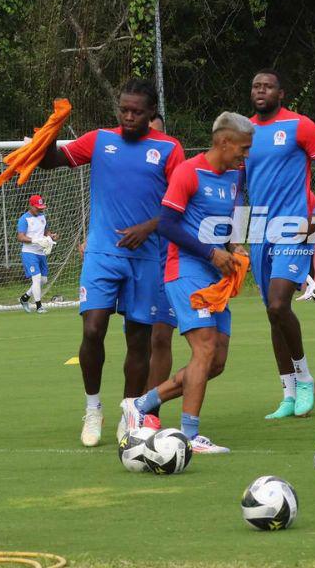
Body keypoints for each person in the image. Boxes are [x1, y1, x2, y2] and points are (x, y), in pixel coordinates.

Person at [38, 78, 184, 447]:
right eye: (124, 110)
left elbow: (179, 204)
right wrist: (49, 133)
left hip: (148, 255)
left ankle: (130, 412)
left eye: (137, 111)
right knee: (92, 329)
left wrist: (148, 227)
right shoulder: (100, 140)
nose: (129, 116)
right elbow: (52, 161)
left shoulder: (169, 149)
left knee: (139, 340)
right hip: (103, 252)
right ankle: (92, 409)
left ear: (152, 113)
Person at [126, 112, 252, 453]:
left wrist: (237, 245)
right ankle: (190, 436)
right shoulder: (188, 172)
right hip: (184, 270)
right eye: (243, 148)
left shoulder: (236, 175)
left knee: (217, 361)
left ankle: (140, 405)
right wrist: (212, 253)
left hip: (217, 276)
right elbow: (167, 224)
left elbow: (235, 215)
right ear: (223, 142)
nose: (245, 155)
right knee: (204, 348)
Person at [247, 69, 315, 419]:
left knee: (278, 304)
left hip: (297, 228)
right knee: (273, 316)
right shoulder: (243, 131)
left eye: (268, 86)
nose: (261, 91)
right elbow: (237, 181)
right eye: (256, 86)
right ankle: (288, 393)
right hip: (258, 231)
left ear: (281, 93)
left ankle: (305, 379)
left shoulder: (300, 126)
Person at [134, 111, 177, 429]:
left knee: (161, 337)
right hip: (133, 257)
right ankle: (130, 408)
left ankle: (151, 412)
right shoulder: (129, 162)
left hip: (168, 257)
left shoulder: (175, 164)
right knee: (137, 340)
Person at [17, 194, 57, 314]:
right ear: (31, 206)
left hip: (41, 253)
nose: (40, 209)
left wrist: (51, 236)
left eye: (41, 207)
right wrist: (34, 240)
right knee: (36, 278)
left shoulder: (42, 217)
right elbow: (20, 237)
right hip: (29, 252)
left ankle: (24, 298)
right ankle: (39, 306)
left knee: (43, 280)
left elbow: (46, 232)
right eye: (37, 207)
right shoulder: (24, 219)